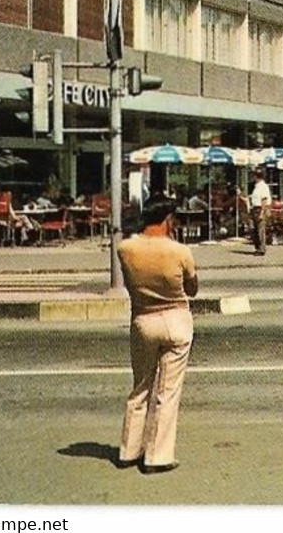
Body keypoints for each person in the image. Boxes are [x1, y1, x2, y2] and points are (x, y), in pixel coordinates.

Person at [116, 197, 198, 474]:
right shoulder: (180, 251)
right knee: (167, 391)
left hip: (143, 320)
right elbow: (192, 289)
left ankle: (129, 450)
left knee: (141, 386)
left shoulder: (125, 248)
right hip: (176, 319)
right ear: (168, 219)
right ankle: (157, 456)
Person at [249, 170, 272, 256]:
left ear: (256, 176)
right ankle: (257, 247)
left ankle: (261, 249)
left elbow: (264, 200)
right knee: (253, 229)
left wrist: (262, 212)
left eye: (253, 175)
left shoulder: (263, 186)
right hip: (254, 208)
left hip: (260, 209)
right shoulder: (256, 186)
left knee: (260, 229)